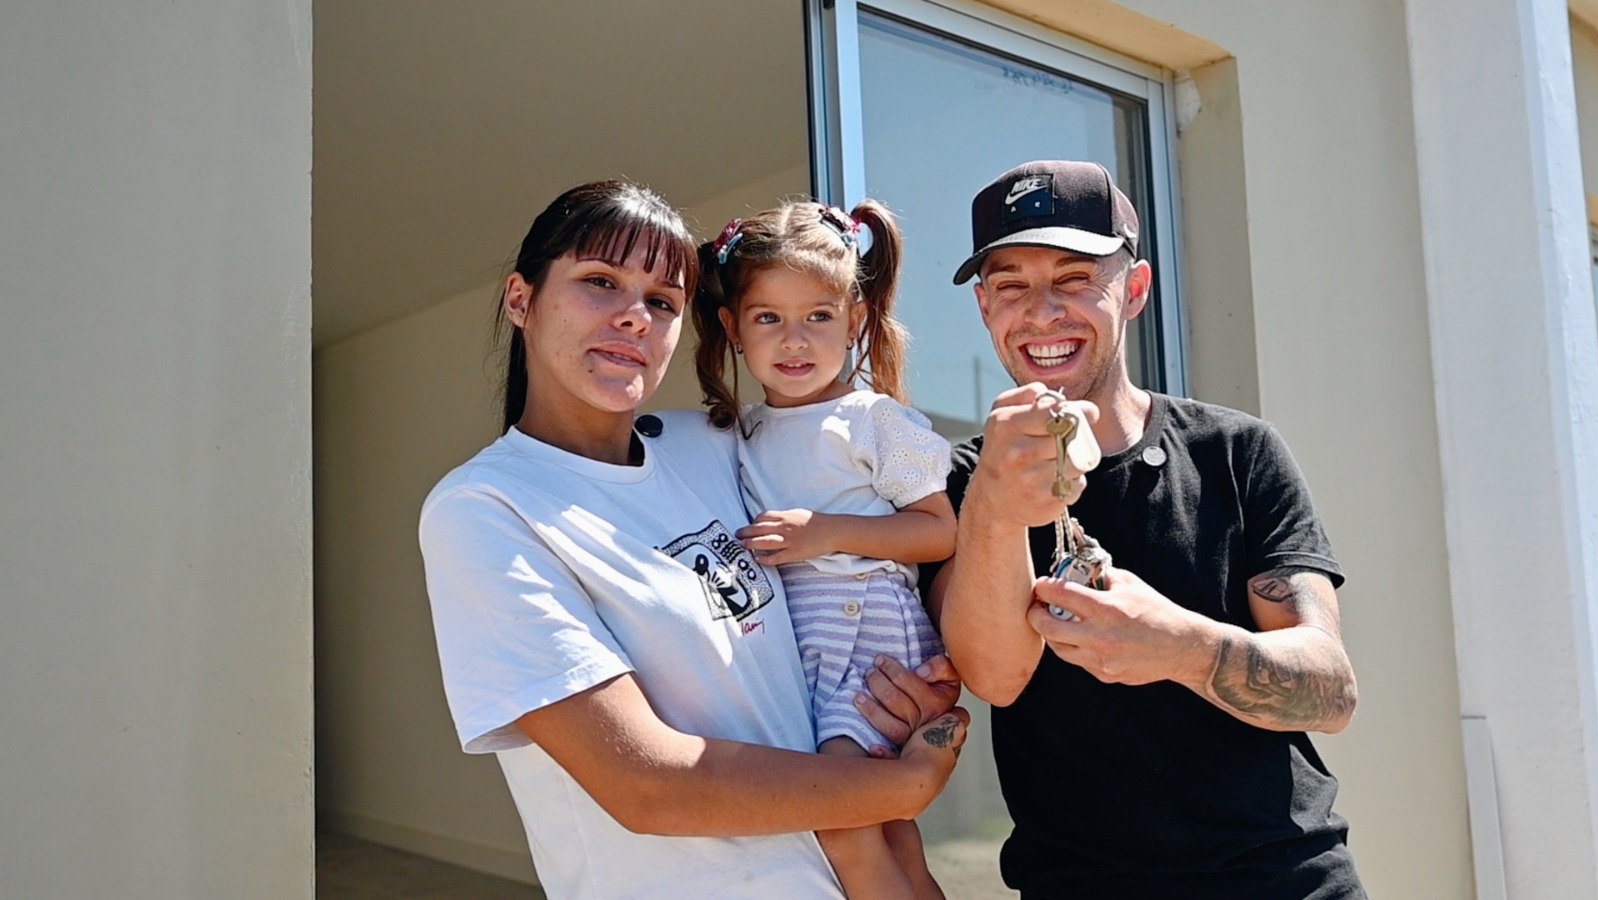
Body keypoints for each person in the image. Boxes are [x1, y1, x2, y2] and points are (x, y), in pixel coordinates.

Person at [417, 180, 968, 900]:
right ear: (521, 300)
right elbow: (647, 786)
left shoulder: (719, 444)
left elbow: (880, 554)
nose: (633, 316)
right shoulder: (488, 508)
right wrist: (904, 785)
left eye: (662, 301)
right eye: (600, 282)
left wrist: (911, 683)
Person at [923, 160, 1366, 899]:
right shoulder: (958, 484)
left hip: (1285, 879)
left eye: (1074, 279)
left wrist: (1178, 645)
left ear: (1133, 290)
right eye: (1011, 286)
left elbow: (1331, 690)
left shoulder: (1236, 452)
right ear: (983, 307)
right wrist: (997, 502)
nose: (1041, 313)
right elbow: (995, 676)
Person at [692, 200, 957, 899]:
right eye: (768, 318)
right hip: (803, 644)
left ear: (855, 321)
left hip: (864, 630)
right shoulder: (741, 432)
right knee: (888, 827)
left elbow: (939, 530)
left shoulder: (871, 419)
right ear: (733, 328)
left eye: (818, 316)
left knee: (840, 817)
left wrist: (826, 532)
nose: (795, 340)